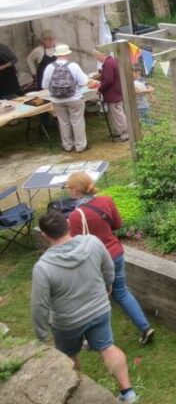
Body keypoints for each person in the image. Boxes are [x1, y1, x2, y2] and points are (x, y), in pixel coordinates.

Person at [31, 210, 139, 402]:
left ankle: (77, 393)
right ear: (67, 224)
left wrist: (42, 335)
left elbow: (39, 305)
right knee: (107, 347)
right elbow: (108, 268)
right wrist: (107, 286)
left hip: (67, 323)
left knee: (68, 357)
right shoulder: (92, 242)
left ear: (44, 235)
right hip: (100, 310)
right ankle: (128, 393)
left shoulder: (43, 267)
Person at [65, 172, 155, 346]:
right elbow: (118, 225)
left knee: (94, 300)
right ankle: (145, 327)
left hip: (96, 261)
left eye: (68, 188)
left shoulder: (77, 215)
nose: (68, 191)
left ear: (76, 191)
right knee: (121, 292)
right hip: (116, 254)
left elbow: (76, 244)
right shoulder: (106, 200)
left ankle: (94, 340)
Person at [42, 44, 90, 153]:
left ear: (56, 55)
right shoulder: (73, 66)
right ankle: (80, 146)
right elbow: (84, 82)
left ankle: (67, 145)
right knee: (77, 121)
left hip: (57, 100)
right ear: (67, 54)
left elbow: (44, 85)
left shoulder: (49, 67)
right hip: (74, 98)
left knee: (63, 122)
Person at [92, 48, 129, 142]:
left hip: (114, 94)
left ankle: (125, 134)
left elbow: (108, 80)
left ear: (103, 53)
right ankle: (119, 132)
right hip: (115, 92)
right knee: (115, 113)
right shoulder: (111, 61)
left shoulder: (108, 63)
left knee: (118, 114)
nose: (96, 58)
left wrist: (100, 89)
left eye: (97, 55)